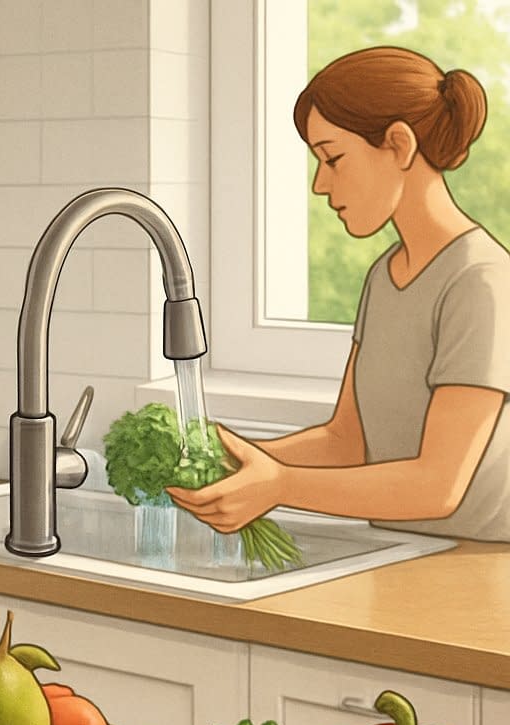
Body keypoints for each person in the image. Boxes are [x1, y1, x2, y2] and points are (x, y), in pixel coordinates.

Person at [168, 46, 510, 543]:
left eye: (332, 158)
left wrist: (280, 485)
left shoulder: (481, 281)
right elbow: (346, 441)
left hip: (477, 565)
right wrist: (232, 457)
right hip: (400, 550)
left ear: (399, 145)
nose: (320, 184)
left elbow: (439, 486)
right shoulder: (384, 277)